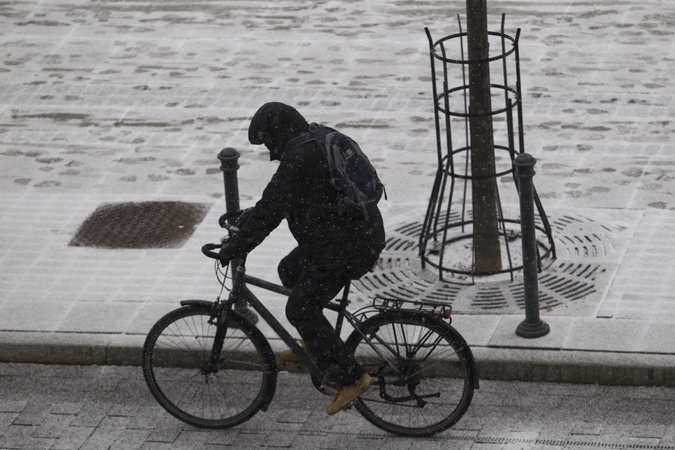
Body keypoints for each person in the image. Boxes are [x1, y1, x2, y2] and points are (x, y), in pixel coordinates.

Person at [218, 102, 385, 415]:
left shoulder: (299, 158)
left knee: (299, 308)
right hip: (352, 234)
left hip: (347, 245)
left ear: (280, 134)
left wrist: (238, 245)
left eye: (269, 142)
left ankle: (353, 379)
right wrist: (247, 218)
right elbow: (279, 202)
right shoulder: (313, 139)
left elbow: (272, 208)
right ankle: (317, 340)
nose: (270, 150)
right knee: (288, 270)